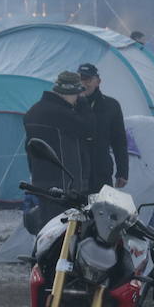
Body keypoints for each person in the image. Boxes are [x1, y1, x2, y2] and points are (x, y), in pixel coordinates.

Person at [22, 71, 92, 229]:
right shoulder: (61, 113)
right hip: (64, 182)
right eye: (76, 95)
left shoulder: (33, 111)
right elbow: (89, 129)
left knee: (46, 227)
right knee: (63, 229)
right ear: (69, 93)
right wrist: (84, 104)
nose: (76, 99)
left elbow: (29, 147)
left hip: (40, 179)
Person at [78, 62, 128, 192]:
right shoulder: (70, 104)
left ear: (98, 81)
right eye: (80, 79)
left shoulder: (111, 105)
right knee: (76, 211)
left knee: (100, 210)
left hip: (101, 170)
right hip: (76, 170)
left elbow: (119, 141)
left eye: (88, 79)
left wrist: (122, 171)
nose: (83, 84)